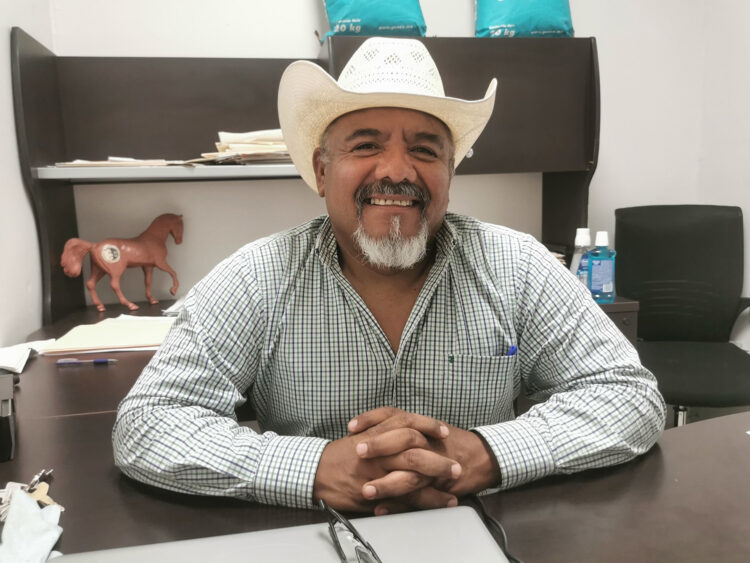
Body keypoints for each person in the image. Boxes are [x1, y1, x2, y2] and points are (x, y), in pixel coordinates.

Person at [113, 37, 665, 515]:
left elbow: (630, 396)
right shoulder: (256, 278)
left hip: (483, 531)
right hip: (309, 534)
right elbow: (148, 422)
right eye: (366, 145)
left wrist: (485, 454)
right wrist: (315, 469)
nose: (398, 171)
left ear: (449, 173)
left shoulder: (518, 267)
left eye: (424, 150)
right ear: (323, 170)